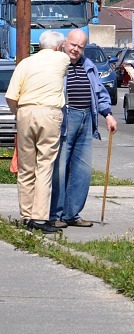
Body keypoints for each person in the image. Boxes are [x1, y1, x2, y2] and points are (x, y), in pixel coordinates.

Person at [49, 29, 117, 229]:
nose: (76, 50)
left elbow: (99, 91)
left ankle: (72, 214)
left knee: (82, 170)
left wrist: (108, 114)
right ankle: (55, 214)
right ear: (64, 43)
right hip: (65, 118)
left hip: (87, 117)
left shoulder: (89, 65)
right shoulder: (57, 64)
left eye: (80, 46)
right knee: (60, 170)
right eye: (73, 45)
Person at [6, 30, 71, 233]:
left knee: (26, 168)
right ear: (59, 47)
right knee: (44, 165)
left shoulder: (25, 63)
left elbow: (11, 96)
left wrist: (20, 114)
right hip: (49, 112)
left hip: (25, 111)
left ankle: (25, 215)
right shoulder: (62, 58)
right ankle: (40, 217)